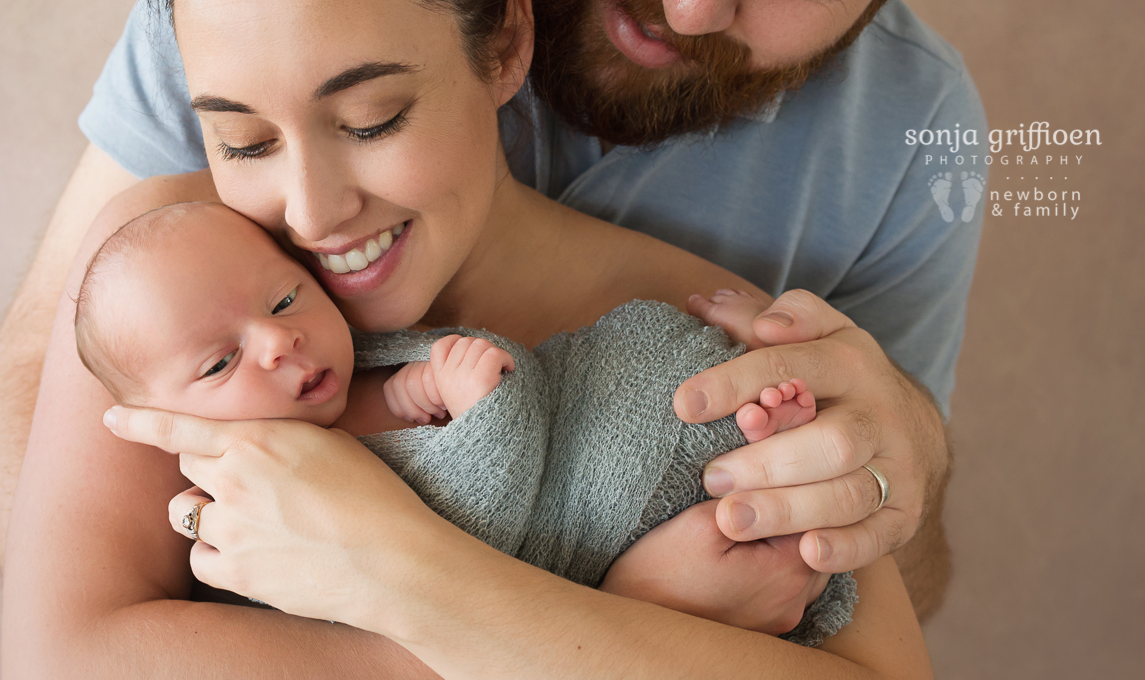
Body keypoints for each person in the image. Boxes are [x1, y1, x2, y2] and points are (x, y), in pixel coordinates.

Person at [0, 0, 1108, 646]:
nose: (693, 0)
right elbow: (65, 458)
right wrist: (601, 626)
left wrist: (898, 470)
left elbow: (881, 594)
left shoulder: (910, 133)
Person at [73, 199, 841, 638]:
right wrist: (487, 416)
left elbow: (408, 396)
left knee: (680, 371)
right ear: (155, 423)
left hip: (619, 415)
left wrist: (417, 386)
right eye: (218, 364)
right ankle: (744, 432)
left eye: (284, 299)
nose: (280, 341)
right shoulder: (249, 527)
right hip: (584, 523)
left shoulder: (359, 364)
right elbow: (460, 544)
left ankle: (755, 410)